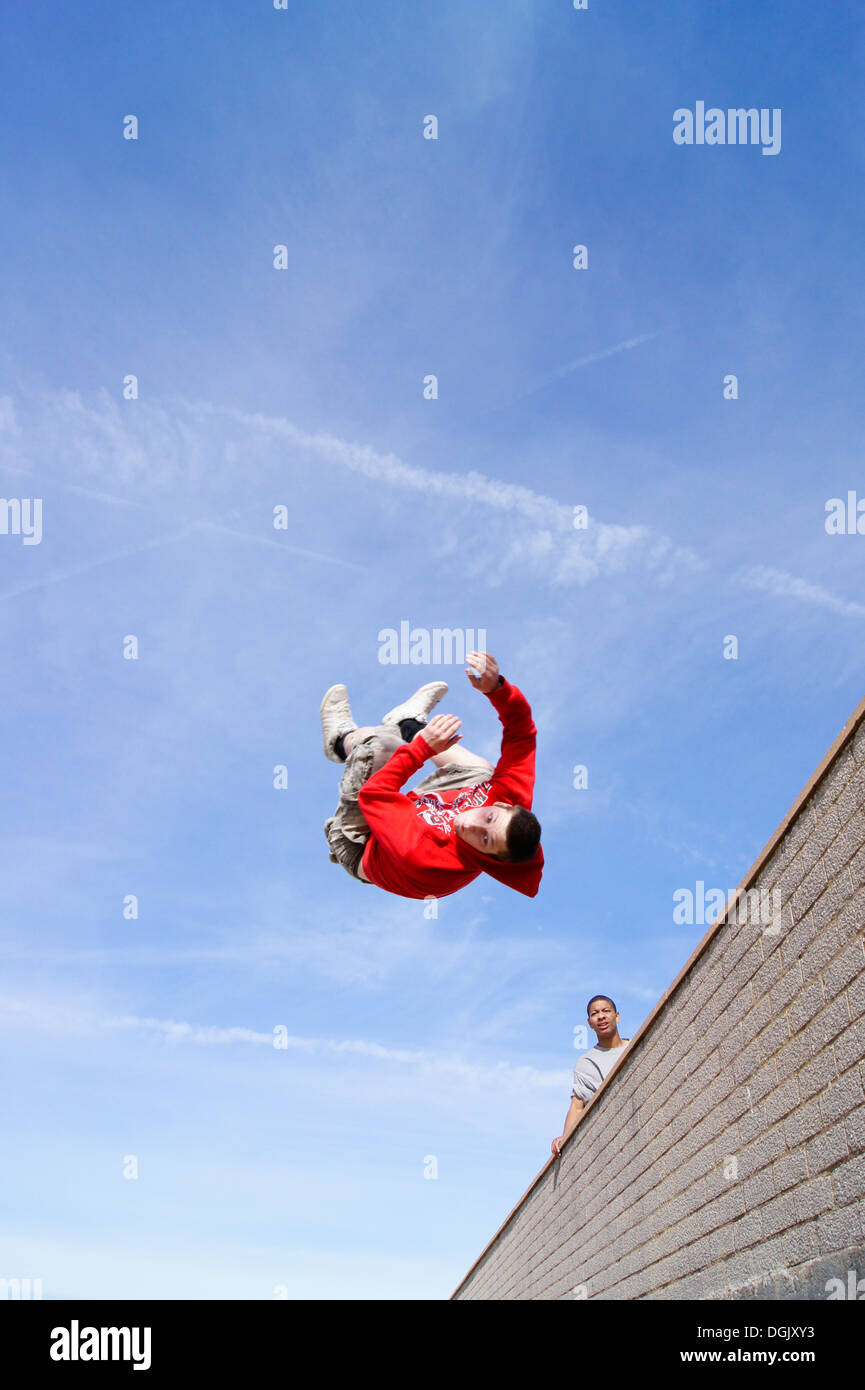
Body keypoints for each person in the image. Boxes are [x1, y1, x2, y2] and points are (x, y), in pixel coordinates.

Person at [320, 651, 543, 900]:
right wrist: (497, 689)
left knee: (384, 745)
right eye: (489, 817)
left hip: (361, 843)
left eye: (484, 839)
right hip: (413, 814)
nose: (471, 824)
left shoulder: (429, 859)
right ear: (503, 805)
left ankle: (340, 740)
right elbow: (522, 735)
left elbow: (375, 795)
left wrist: (423, 749)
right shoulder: (511, 798)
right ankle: (408, 724)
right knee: (484, 775)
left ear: (488, 857)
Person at [551, 996, 630, 1156]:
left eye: (606, 1011)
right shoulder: (586, 1063)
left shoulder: (636, 1046)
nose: (601, 1016)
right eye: (595, 1013)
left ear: (617, 1016)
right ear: (589, 1023)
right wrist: (564, 1139)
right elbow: (577, 1106)